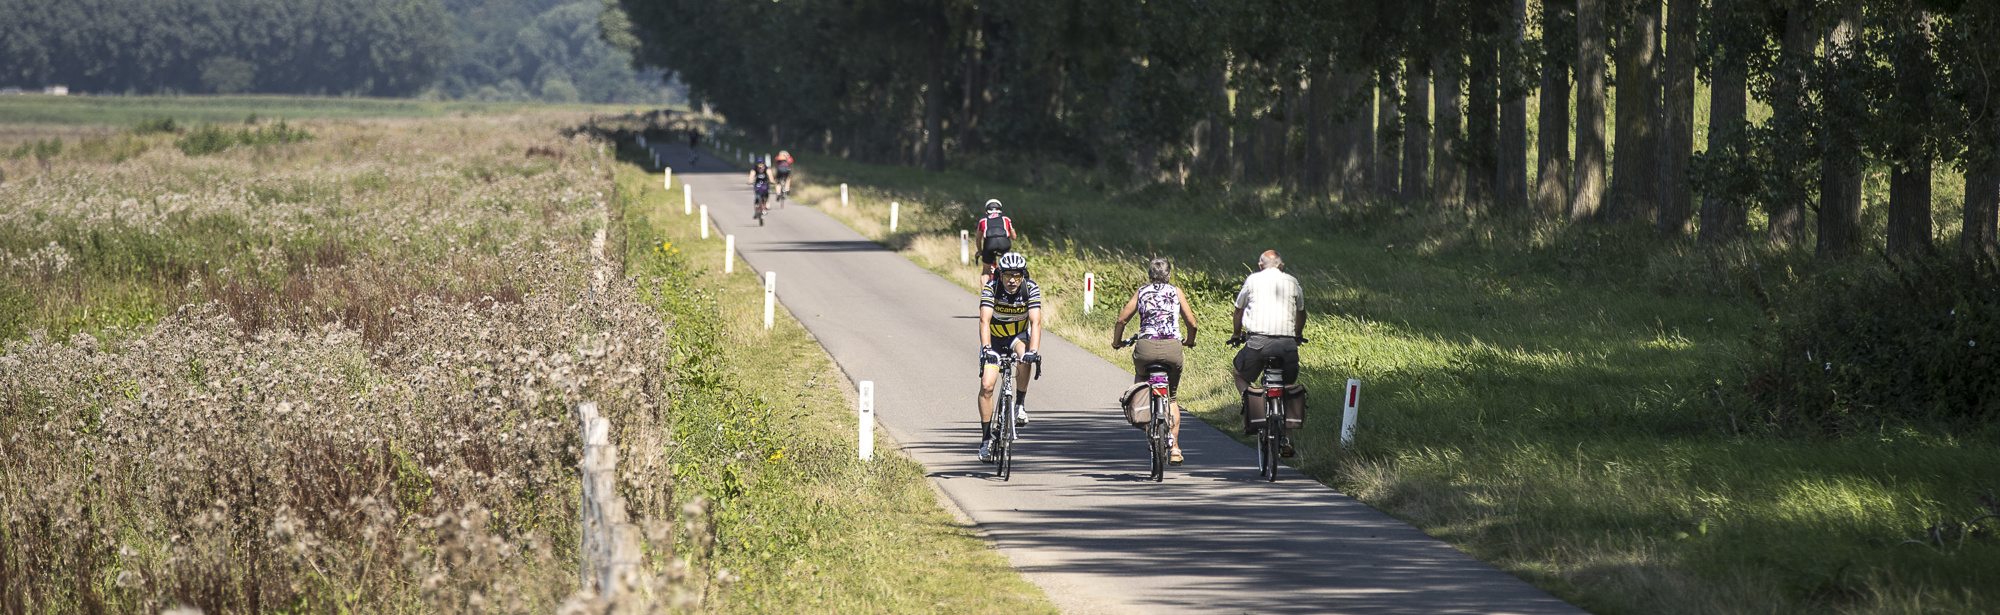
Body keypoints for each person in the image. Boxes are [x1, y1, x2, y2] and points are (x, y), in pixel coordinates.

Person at [1110, 258, 1199, 465]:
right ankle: (1175, 447)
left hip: (1146, 349)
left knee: (1141, 379)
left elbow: (1122, 320)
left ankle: (1142, 409)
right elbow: (1192, 323)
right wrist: (1189, 341)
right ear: (1169, 275)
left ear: (1149, 274)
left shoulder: (1142, 292)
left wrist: (1117, 342)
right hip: (1172, 349)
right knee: (1173, 397)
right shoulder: (1176, 292)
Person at [1227, 249, 1306, 456]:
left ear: (1260, 266)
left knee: (1238, 374)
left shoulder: (1252, 280)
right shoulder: (1292, 281)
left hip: (1257, 343)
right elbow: (1301, 312)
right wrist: (1297, 335)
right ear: (1281, 266)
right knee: (1287, 387)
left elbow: (1238, 310)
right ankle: (1288, 438)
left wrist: (1237, 335)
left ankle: (1255, 409)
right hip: (1287, 345)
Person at [976, 251, 1043, 463]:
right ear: (1000, 275)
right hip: (994, 340)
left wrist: (1033, 351)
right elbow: (984, 320)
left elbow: (1036, 322)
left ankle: (1019, 405)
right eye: (1007, 276)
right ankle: (986, 440)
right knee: (987, 386)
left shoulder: (1030, 288)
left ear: (1023, 275)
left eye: (1017, 275)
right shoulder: (991, 288)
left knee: (1026, 358)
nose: (1012, 280)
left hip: (1017, 337)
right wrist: (987, 349)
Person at [974, 199, 1016, 286]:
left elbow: (978, 239)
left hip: (989, 243)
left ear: (986, 211)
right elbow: (1014, 237)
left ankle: (985, 297)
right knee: (1007, 268)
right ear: (1000, 210)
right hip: (1004, 243)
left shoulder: (982, 219)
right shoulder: (1006, 218)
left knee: (985, 272)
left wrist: (980, 251)